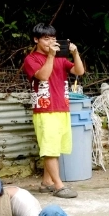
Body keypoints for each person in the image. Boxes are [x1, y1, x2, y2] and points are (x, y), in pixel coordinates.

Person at [22, 23, 85, 199]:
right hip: (44, 109)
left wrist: (75, 53)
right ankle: (58, 186)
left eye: (53, 38)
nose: (51, 41)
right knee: (50, 148)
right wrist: (50, 56)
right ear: (36, 40)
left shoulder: (60, 58)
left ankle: (46, 183)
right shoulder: (31, 59)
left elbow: (79, 71)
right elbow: (43, 76)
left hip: (62, 106)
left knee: (55, 147)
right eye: (46, 38)